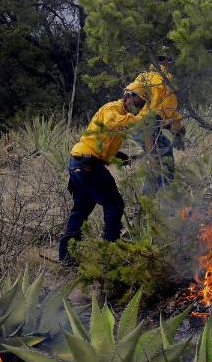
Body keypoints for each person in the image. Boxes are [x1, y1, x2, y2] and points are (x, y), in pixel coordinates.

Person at [57, 83, 149, 263]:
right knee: (114, 204)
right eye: (136, 101)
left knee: (81, 210)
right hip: (88, 163)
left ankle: (66, 257)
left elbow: (104, 140)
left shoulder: (122, 114)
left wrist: (119, 156)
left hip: (79, 162)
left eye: (141, 104)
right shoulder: (112, 109)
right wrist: (142, 118)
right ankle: (110, 252)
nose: (137, 107)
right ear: (127, 96)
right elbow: (111, 124)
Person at [131, 50, 186, 192]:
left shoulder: (142, 76)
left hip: (134, 124)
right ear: (167, 62)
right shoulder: (167, 78)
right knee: (161, 160)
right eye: (168, 61)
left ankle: (150, 199)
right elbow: (169, 110)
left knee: (159, 155)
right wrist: (178, 132)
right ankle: (164, 196)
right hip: (149, 125)